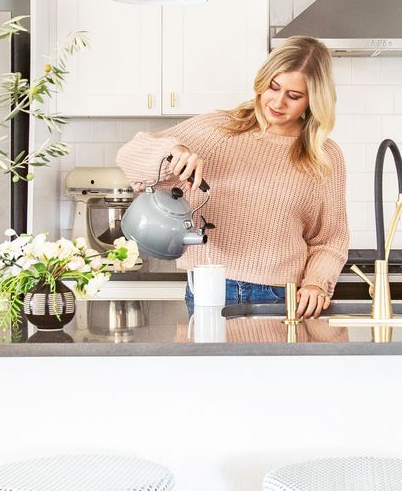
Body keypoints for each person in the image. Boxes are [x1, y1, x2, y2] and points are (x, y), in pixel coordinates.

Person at [116, 36, 349, 318]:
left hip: (279, 294)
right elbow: (129, 156)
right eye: (273, 87)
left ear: (314, 100)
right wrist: (173, 153)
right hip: (210, 286)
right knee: (210, 364)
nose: (277, 101)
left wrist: (316, 283)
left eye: (294, 95)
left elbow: (330, 239)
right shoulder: (220, 129)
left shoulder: (322, 155)